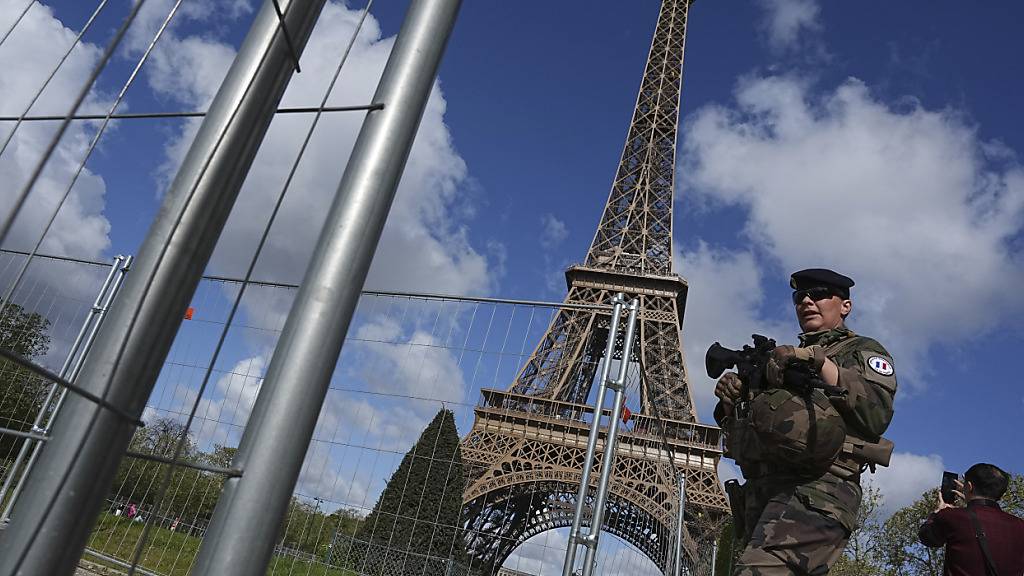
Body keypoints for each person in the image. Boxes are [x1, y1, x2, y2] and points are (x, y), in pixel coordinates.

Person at [714, 268, 898, 575]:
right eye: (800, 296)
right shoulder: (779, 360)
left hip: (819, 491)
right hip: (763, 493)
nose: (807, 301)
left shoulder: (861, 350)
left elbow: (876, 414)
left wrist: (820, 361)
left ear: (845, 306)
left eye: (820, 294)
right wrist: (732, 398)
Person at [919, 463, 1024, 575]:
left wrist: (937, 513)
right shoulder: (1020, 525)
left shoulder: (951, 516)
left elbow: (928, 538)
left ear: (969, 486)